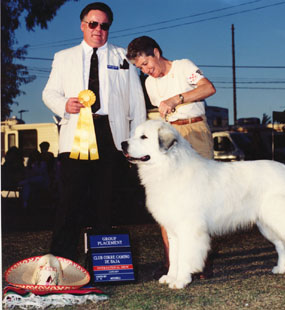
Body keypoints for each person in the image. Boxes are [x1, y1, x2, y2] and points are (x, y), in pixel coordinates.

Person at [42, 2, 146, 260]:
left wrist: (137, 142)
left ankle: (105, 264)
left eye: (104, 25)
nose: (98, 29)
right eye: (93, 24)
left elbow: (137, 102)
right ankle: (61, 261)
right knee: (70, 201)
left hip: (113, 136)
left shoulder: (124, 57)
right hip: (75, 137)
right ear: (82, 25)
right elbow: (49, 93)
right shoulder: (63, 57)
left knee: (107, 200)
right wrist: (64, 105)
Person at [127, 35, 216, 279]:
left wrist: (177, 99)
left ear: (156, 52)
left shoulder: (183, 66)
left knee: (200, 200)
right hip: (169, 139)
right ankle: (172, 264)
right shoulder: (149, 84)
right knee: (167, 202)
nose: (146, 71)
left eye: (146, 64)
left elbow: (209, 88)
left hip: (194, 131)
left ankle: (200, 263)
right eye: (140, 68)